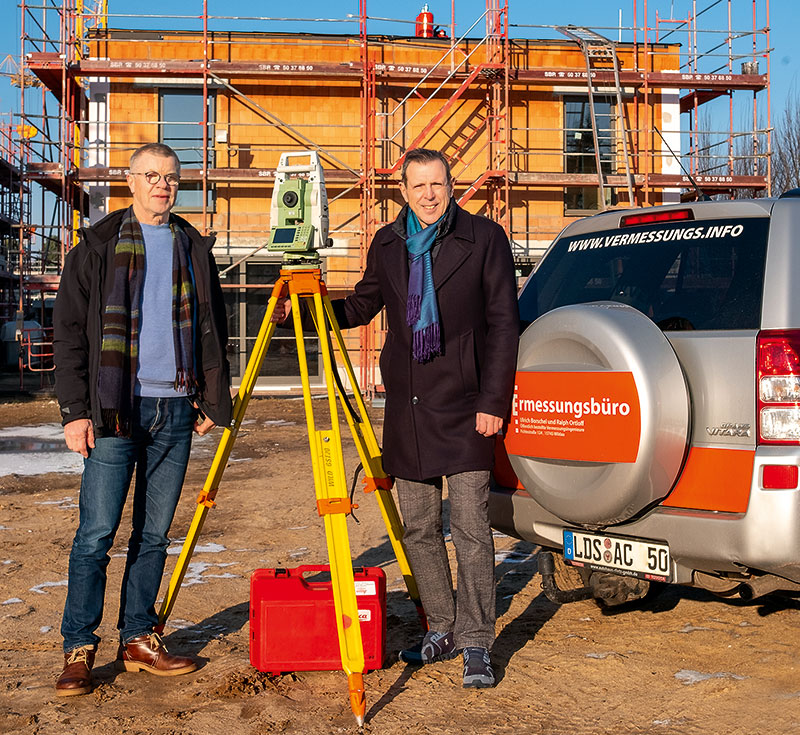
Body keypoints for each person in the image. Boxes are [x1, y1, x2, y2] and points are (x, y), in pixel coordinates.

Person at [284, 148, 519, 687]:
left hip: (466, 406)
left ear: (451, 184)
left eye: (438, 184)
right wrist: (310, 302)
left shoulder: (484, 239)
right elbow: (364, 305)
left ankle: (477, 640)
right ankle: (442, 624)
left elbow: (505, 324)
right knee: (416, 527)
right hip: (408, 408)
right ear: (403, 190)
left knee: (470, 527)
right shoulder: (389, 243)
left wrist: (492, 403)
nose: (429, 195)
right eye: (419, 186)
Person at [52, 142, 232, 696]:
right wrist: (75, 413)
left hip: (175, 408)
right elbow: (70, 334)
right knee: (96, 534)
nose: (163, 186)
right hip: (114, 411)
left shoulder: (191, 246)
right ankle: (79, 648)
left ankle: (137, 638)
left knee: (153, 536)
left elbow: (213, 327)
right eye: (151, 176)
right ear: (130, 182)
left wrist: (209, 399)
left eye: (172, 178)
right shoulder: (99, 245)